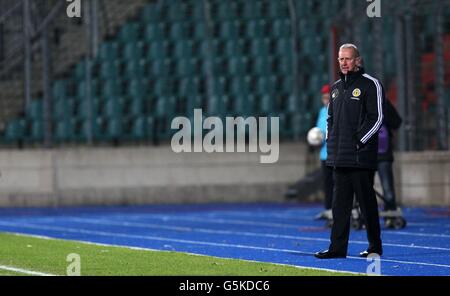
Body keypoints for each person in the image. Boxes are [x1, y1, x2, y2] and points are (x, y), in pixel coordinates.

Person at [315, 43, 384, 259]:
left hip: (360, 158)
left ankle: (374, 247)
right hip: (339, 158)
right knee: (340, 207)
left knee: (367, 205)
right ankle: (337, 248)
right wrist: (332, 143)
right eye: (341, 59)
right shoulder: (335, 88)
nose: (344, 63)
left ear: (358, 60)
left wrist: (359, 142)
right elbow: (330, 119)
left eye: (348, 58)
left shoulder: (370, 85)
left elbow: (378, 117)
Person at [377, 99, 402, 216]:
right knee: (387, 187)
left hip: (376, 152)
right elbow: (396, 122)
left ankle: (390, 212)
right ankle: (390, 212)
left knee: (364, 187)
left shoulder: (384, 104)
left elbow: (396, 122)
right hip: (380, 152)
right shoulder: (384, 102)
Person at [314, 84, 334, 221]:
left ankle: (337, 209)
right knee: (327, 183)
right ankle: (328, 209)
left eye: (328, 98)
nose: (326, 100)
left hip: (334, 153)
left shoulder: (335, 111)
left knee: (336, 183)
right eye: (324, 98)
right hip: (324, 153)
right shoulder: (322, 111)